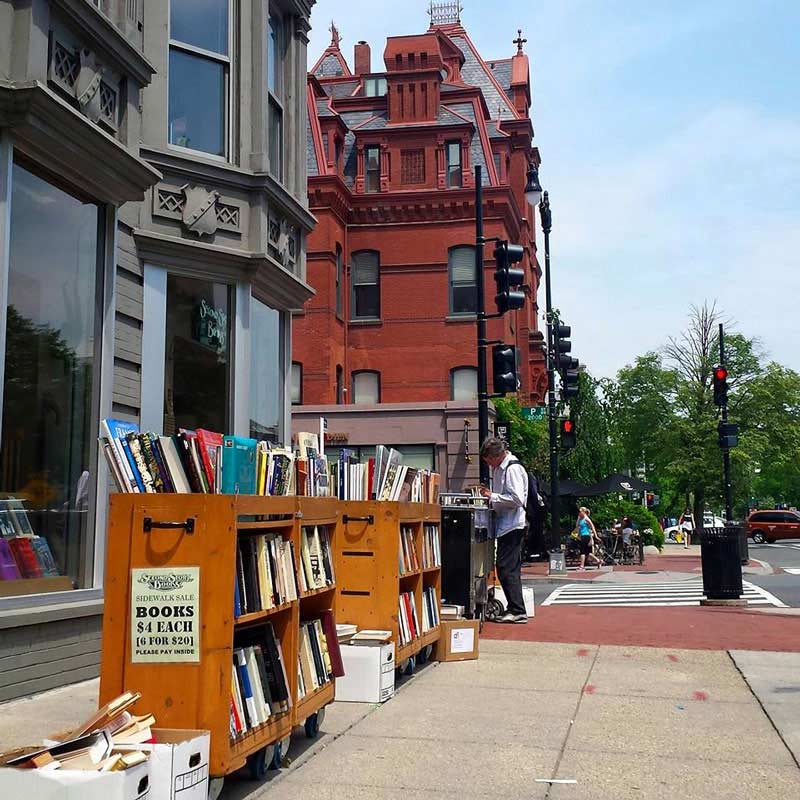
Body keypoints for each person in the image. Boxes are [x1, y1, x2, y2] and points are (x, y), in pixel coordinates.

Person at [479, 437, 528, 623]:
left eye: (489, 460)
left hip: (513, 524)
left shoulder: (512, 469)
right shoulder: (501, 469)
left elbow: (516, 499)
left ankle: (517, 609)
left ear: (498, 455)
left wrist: (493, 496)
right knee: (506, 567)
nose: (489, 464)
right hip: (507, 524)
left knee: (507, 568)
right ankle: (515, 608)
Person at [577, 506, 601, 570]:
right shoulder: (580, 519)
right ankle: (598, 561)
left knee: (582, 552)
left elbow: (592, 527)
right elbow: (577, 526)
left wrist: (595, 536)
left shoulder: (586, 519)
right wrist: (578, 535)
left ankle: (582, 566)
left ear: (584, 512)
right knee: (588, 553)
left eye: (580, 511)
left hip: (586, 536)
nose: (579, 513)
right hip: (582, 536)